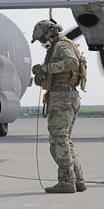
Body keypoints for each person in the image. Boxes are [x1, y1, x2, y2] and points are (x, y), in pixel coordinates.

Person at [31, 19, 88, 194]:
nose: (43, 43)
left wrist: (47, 68)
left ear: (49, 33)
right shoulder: (59, 46)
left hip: (63, 97)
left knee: (58, 141)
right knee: (65, 140)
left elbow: (71, 62)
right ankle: (78, 180)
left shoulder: (62, 46)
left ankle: (66, 181)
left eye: (42, 39)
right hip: (66, 96)